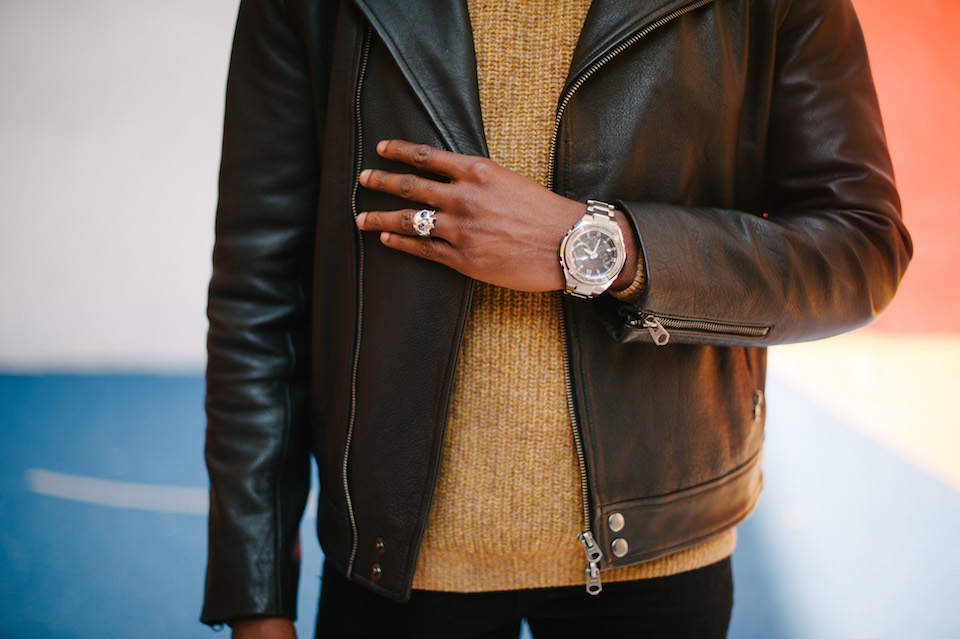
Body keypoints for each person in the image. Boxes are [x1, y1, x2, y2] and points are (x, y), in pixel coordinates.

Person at [201, 0, 911, 637]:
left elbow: (861, 248)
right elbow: (260, 292)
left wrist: (599, 249)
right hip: (395, 564)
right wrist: (255, 595)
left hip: (661, 550)